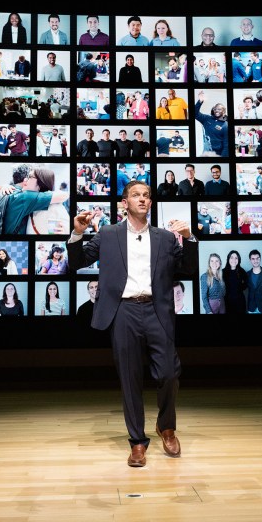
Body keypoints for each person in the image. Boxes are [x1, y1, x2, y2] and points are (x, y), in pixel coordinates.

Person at [66, 180, 197, 467]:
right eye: (136, 195)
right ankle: (137, 441)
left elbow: (187, 269)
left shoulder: (164, 237)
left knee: (168, 373)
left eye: (146, 196)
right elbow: (77, 263)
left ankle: (167, 427)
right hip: (123, 311)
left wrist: (189, 239)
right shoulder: (108, 234)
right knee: (130, 377)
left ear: (151, 203)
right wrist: (78, 233)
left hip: (157, 311)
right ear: (125, 203)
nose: (142, 199)